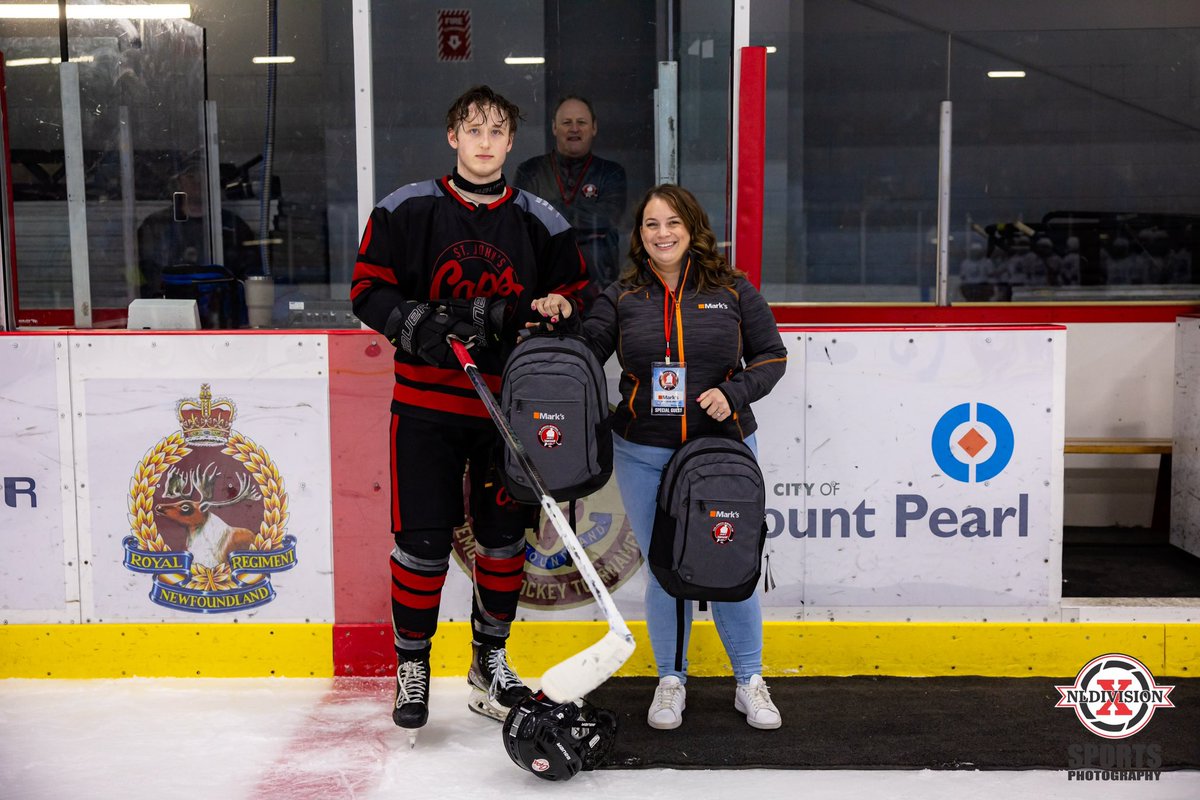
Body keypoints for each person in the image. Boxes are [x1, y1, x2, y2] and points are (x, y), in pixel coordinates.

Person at [350, 85, 589, 737]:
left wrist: (558, 310)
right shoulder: (406, 209)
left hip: (508, 415)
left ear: (511, 143)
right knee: (423, 542)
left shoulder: (543, 219)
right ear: (453, 137)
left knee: (503, 541)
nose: (484, 142)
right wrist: (411, 323)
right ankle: (413, 665)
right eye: (472, 129)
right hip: (425, 410)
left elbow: (576, 291)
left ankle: (489, 663)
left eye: (497, 132)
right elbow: (367, 288)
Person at [530, 184, 788, 730]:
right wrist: (560, 317)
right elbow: (589, 348)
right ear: (639, 235)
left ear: (693, 228)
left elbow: (772, 356)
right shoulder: (622, 295)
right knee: (666, 569)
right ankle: (671, 680)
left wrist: (735, 392)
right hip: (644, 449)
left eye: (673, 222)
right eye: (651, 224)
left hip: (722, 449)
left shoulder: (734, 289)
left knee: (729, 564)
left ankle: (750, 680)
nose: (663, 233)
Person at [514, 95, 627, 291]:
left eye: (581, 122)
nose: (574, 128)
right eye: (566, 122)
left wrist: (548, 210)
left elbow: (606, 220)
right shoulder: (530, 171)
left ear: (594, 128)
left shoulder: (611, 173)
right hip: (543, 289)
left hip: (598, 287)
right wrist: (585, 215)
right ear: (554, 128)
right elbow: (524, 224)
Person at [136, 156, 257, 317]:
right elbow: (137, 272)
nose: (197, 182)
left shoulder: (233, 225)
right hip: (167, 316)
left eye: (203, 176)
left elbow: (252, 272)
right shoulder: (156, 224)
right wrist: (153, 300)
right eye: (190, 176)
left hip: (223, 318)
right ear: (178, 181)